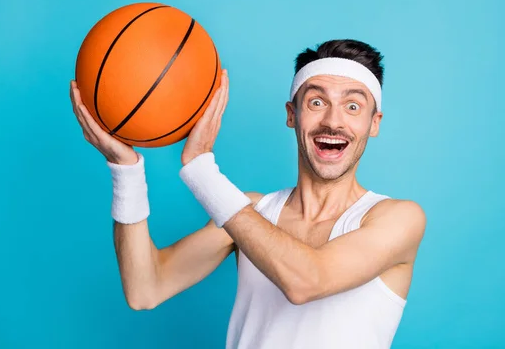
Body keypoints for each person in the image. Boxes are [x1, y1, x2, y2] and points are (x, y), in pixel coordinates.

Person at [69, 39, 426, 348]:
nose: (333, 121)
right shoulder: (252, 210)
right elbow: (145, 289)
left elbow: (306, 281)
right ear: (292, 114)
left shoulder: (397, 218)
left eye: (353, 106)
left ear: (373, 123)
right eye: (317, 102)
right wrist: (125, 170)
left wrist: (201, 171)